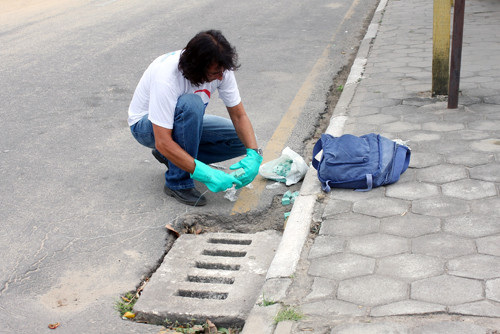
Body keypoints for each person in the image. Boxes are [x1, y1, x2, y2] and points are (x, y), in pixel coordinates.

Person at [128, 30, 262, 207]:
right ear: (197, 68)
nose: (221, 77)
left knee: (242, 139)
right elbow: (162, 141)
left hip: (179, 122)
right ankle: (178, 182)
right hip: (146, 126)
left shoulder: (221, 67)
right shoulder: (167, 77)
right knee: (191, 104)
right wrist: (205, 174)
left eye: (222, 71)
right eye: (215, 73)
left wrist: (254, 154)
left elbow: (239, 115)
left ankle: (173, 158)